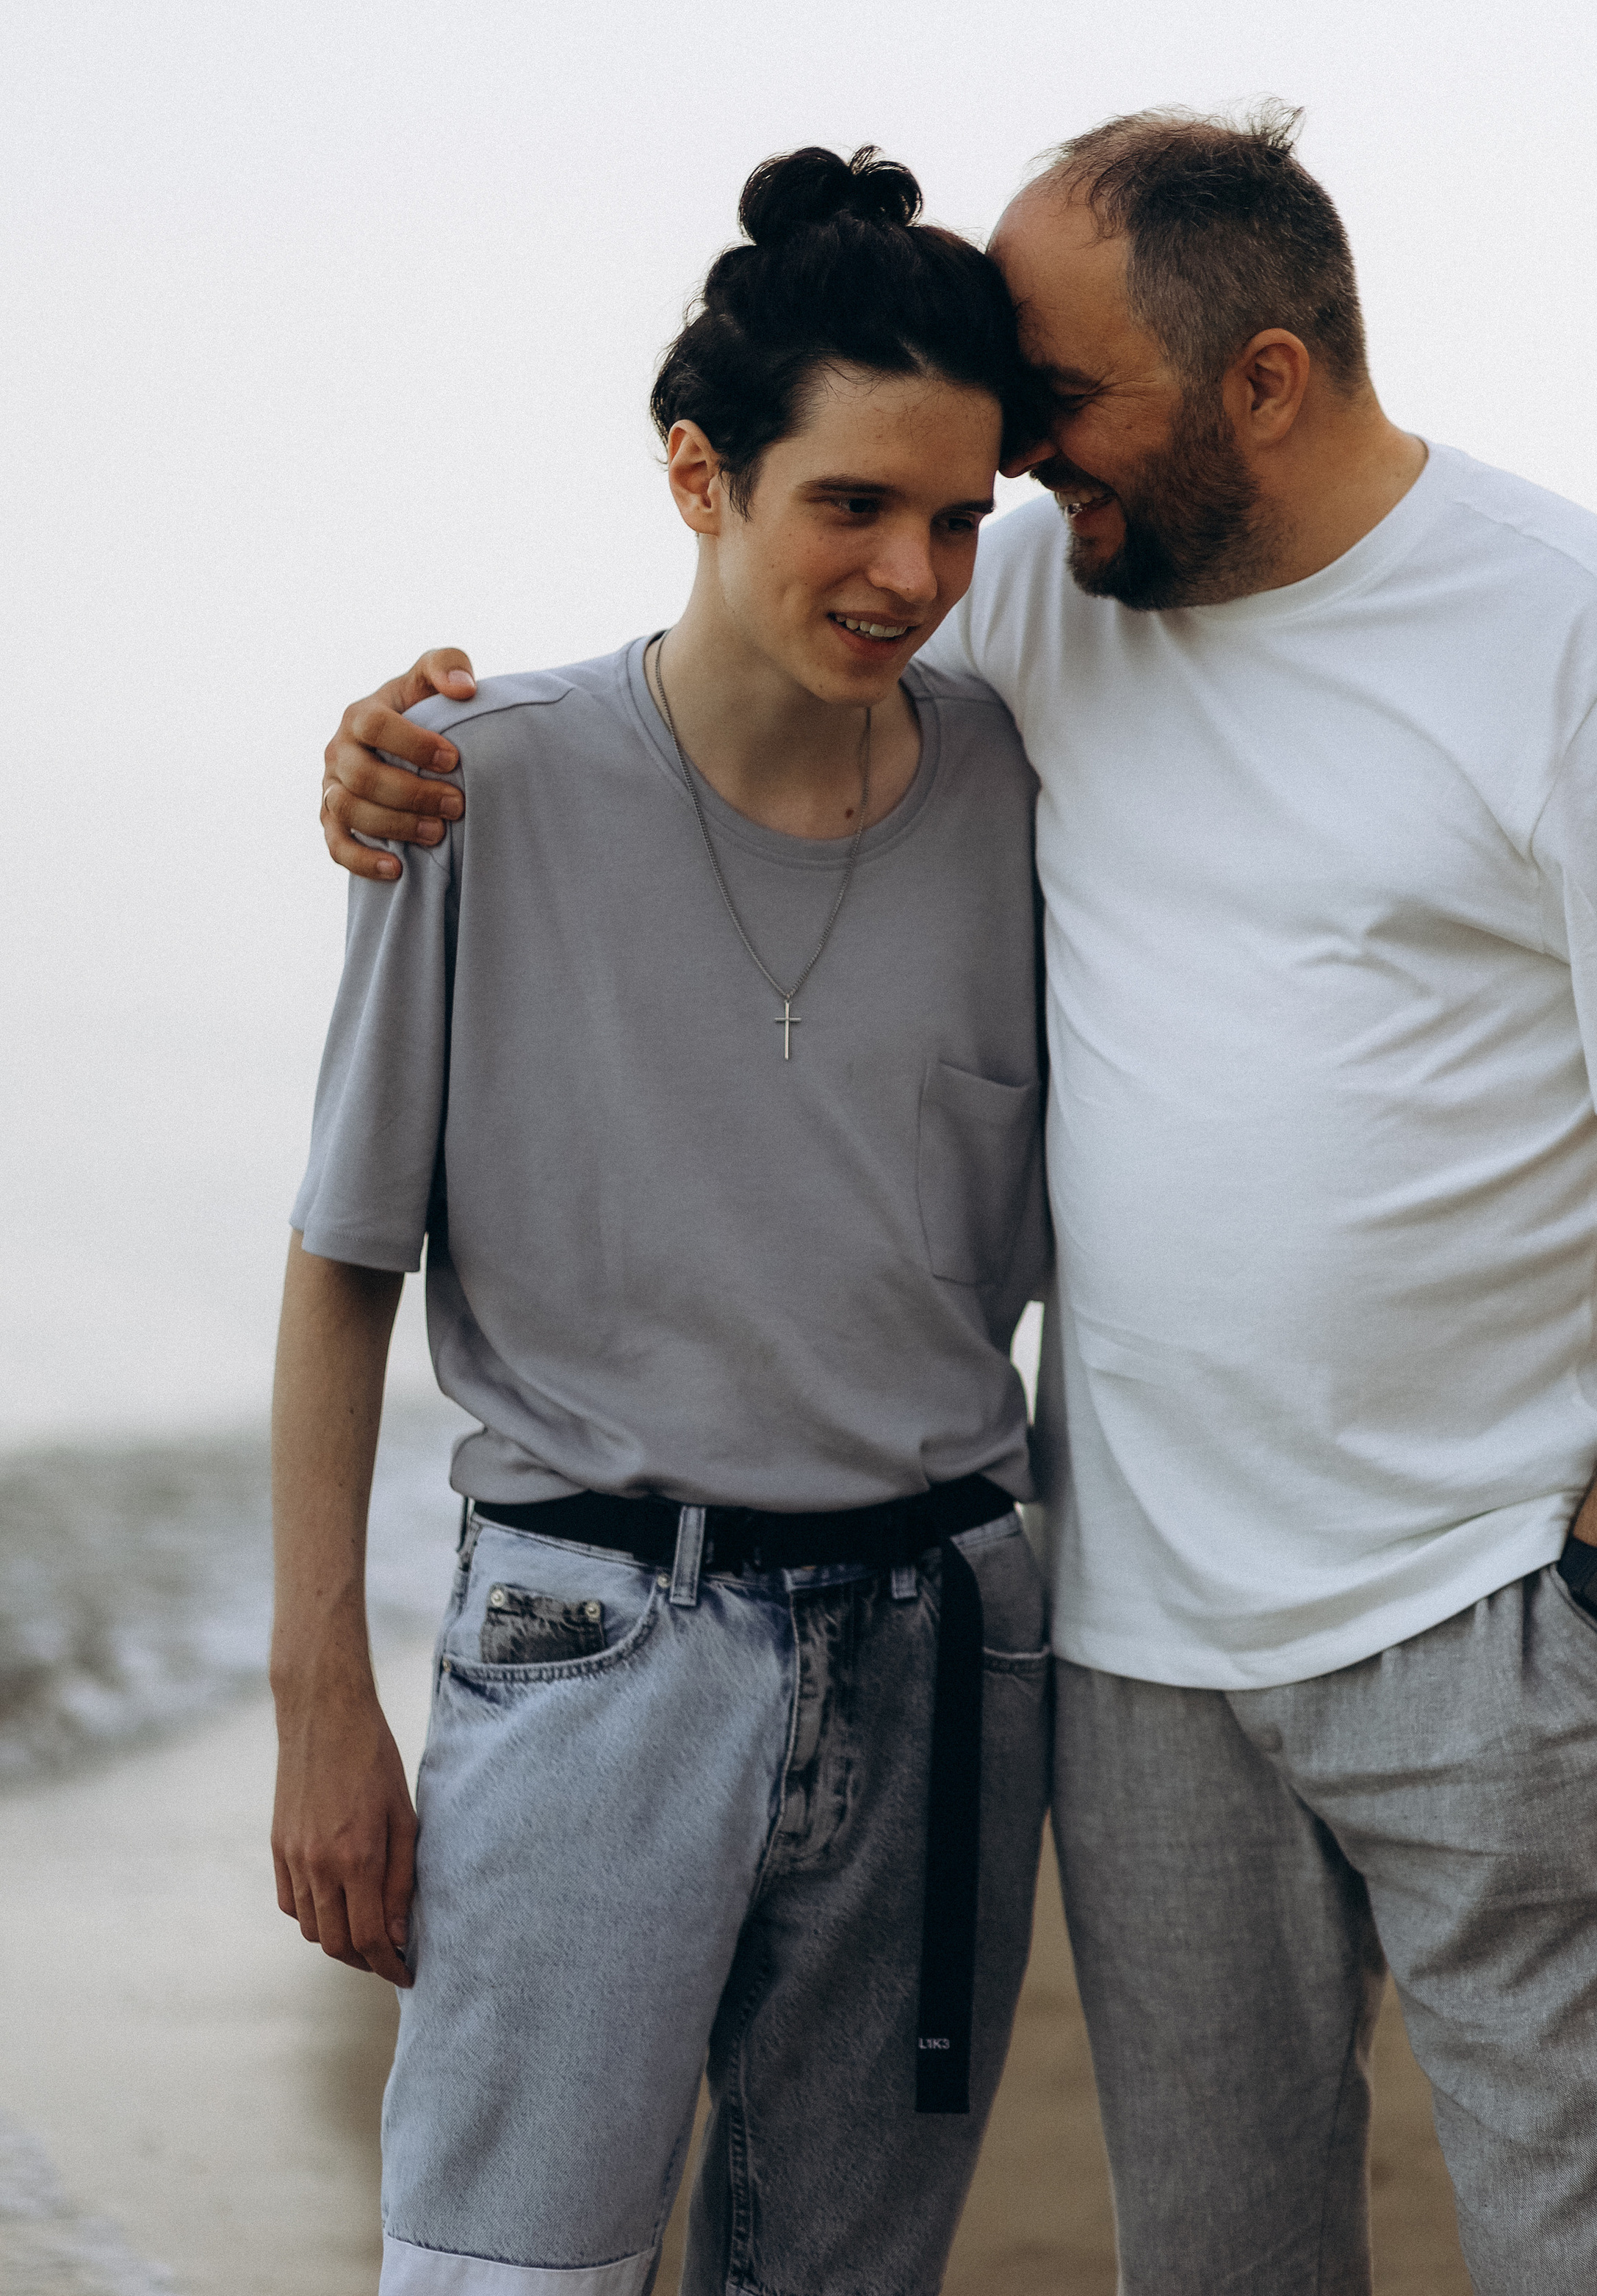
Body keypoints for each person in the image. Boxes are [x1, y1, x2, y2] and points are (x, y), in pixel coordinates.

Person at [317, 109, 1597, 2296]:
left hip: (1491, 1620)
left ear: (1264, 379)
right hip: (1138, 1660)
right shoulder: (1046, 580)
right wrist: (409, 761)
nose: (1011, 480)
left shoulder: (1586, 639)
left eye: (1060, 412)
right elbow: (761, 652)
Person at [272, 145, 1057, 2296]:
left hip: (939, 1670)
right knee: (502, 2280)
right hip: (592, 1648)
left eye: (962, 520)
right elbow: (347, 1260)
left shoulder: (1019, 788)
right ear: (701, 476)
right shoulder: (470, 783)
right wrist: (320, 1701)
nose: (912, 570)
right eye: (855, 504)